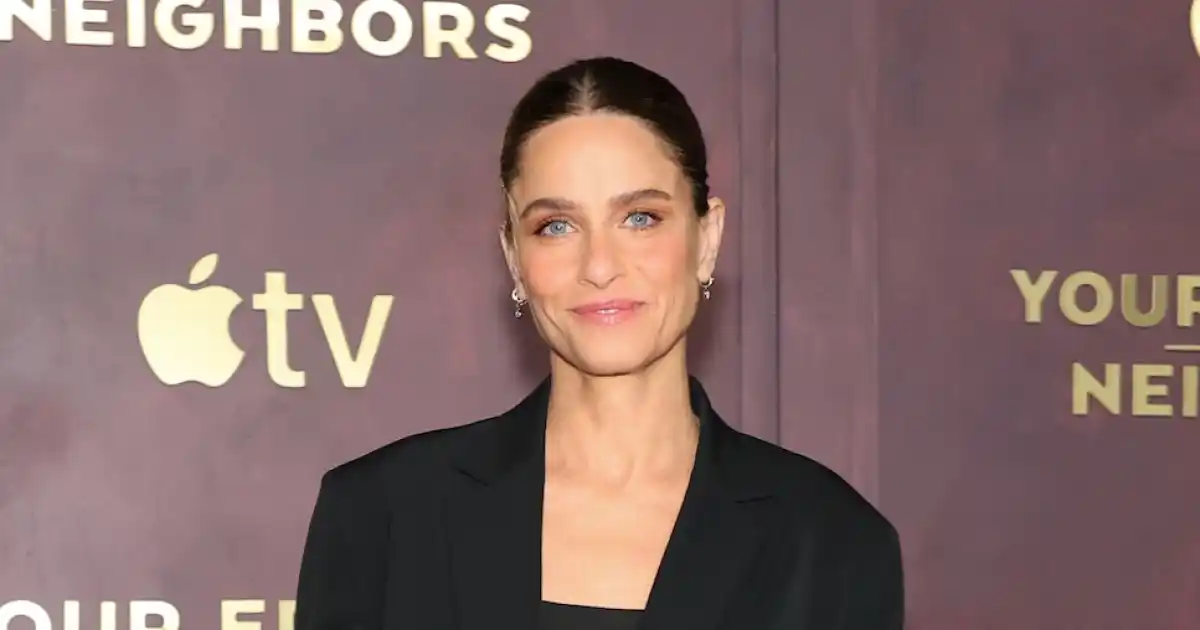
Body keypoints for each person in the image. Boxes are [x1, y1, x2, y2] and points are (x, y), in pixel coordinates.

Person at [294, 57, 904, 630]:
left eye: (640, 218)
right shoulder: (381, 517)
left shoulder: (832, 541)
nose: (600, 266)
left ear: (708, 238)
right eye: (556, 226)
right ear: (514, 257)